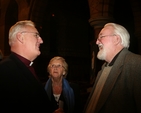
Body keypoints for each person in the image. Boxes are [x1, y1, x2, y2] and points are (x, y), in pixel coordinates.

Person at [84, 23, 141, 113]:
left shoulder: (137, 64)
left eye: (101, 37)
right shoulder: (103, 69)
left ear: (116, 39)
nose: (97, 42)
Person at [0, 20, 51, 112]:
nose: (41, 40)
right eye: (36, 35)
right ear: (20, 37)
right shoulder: (4, 71)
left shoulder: (24, 66)